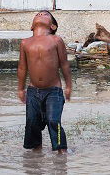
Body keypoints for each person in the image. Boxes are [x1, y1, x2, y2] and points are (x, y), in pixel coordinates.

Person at [17, 11, 72, 153]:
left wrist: (68, 86)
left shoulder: (56, 40)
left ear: (53, 26)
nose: (41, 14)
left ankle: (62, 151)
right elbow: (22, 67)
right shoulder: (25, 43)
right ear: (31, 26)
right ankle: (36, 154)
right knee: (31, 123)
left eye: (45, 14)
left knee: (54, 121)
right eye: (38, 14)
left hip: (54, 90)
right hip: (33, 90)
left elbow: (65, 64)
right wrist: (20, 89)